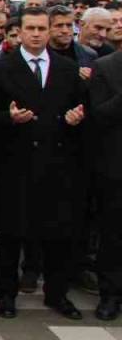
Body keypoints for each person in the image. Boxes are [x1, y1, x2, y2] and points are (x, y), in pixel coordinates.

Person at [0, 7, 87, 320]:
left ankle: (57, 294)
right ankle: (7, 294)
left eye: (42, 28)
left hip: (57, 163)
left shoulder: (67, 68)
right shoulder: (2, 68)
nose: (36, 34)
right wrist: (9, 118)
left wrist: (75, 118)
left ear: (50, 30)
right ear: (20, 31)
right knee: (12, 236)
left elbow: (81, 108)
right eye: (30, 28)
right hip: (17, 163)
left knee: (57, 235)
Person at [89, 42, 122, 320]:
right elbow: (99, 116)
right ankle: (110, 293)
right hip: (115, 167)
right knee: (113, 234)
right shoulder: (106, 66)